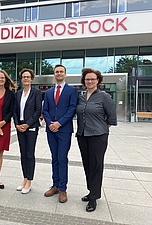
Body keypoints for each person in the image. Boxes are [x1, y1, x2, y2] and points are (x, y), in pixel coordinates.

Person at [76, 68, 117, 212]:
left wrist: (100, 129)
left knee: (96, 165)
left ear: (98, 81)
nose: (90, 81)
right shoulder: (81, 97)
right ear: (84, 81)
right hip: (82, 135)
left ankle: (94, 198)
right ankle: (91, 191)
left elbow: (111, 117)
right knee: (87, 164)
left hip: (98, 136)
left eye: (93, 79)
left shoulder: (104, 97)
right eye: (87, 79)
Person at [42, 64, 78, 203]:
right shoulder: (49, 92)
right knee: (54, 158)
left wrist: (59, 123)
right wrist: (51, 123)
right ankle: (55, 185)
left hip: (64, 129)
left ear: (65, 74)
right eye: (56, 72)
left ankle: (63, 189)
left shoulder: (72, 90)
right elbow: (45, 109)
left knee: (62, 158)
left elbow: (72, 109)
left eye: (61, 71)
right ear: (54, 74)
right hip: (51, 129)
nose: (59, 73)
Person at [13, 68, 42, 194]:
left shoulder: (36, 93)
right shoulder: (17, 94)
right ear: (21, 79)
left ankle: (29, 180)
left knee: (30, 154)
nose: (26, 79)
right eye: (24, 77)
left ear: (31, 79)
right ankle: (24, 179)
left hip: (31, 127)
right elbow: (14, 110)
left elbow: (38, 110)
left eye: (28, 77)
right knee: (23, 154)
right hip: (20, 127)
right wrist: (17, 124)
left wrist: (27, 124)